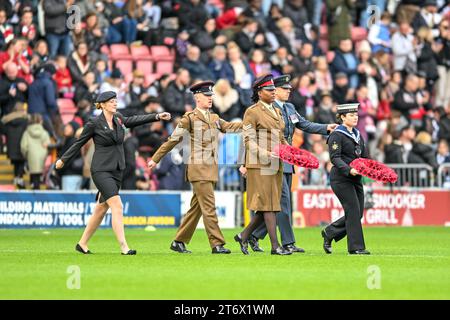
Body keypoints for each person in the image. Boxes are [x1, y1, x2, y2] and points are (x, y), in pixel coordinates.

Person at [55, 91, 171, 255]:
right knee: (117, 205)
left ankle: (82, 243)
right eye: (111, 101)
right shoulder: (93, 123)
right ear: (102, 104)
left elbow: (133, 120)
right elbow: (78, 142)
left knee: (101, 209)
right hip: (101, 170)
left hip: (117, 169)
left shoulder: (118, 118)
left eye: (115, 101)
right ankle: (124, 247)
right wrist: (63, 159)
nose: (115, 103)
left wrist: (157, 116)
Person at [241, 74, 337, 253]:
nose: (288, 91)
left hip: (285, 159)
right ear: (273, 91)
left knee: (276, 204)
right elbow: (248, 137)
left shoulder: (289, 108)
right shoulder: (259, 110)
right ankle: (287, 242)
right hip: (268, 160)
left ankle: (250, 235)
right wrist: (243, 162)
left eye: (289, 89)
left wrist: (325, 128)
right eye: (284, 89)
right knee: (281, 202)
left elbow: (304, 124)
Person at [148, 81, 242, 254]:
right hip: (198, 169)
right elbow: (173, 140)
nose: (210, 98)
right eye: (207, 96)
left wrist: (249, 124)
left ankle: (178, 241)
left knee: (196, 208)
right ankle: (217, 244)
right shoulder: (189, 118)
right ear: (197, 98)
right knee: (209, 207)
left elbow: (228, 127)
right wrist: (156, 158)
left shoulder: (214, 118)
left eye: (211, 95)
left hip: (210, 169)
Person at [234, 74, 291, 256]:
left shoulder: (277, 110)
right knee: (268, 206)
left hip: (276, 163)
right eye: (269, 89)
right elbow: (248, 140)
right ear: (260, 92)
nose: (274, 92)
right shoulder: (252, 112)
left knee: (271, 204)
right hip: (259, 164)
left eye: (274, 89)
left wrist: (293, 153)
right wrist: (266, 153)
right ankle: (276, 247)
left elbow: (281, 137)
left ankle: (243, 236)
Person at [321, 103, 371, 255]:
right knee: (353, 211)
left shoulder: (357, 134)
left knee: (358, 213)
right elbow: (335, 158)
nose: (355, 117)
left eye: (356, 114)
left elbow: (365, 157)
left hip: (356, 179)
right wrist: (350, 170)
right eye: (351, 115)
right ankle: (356, 247)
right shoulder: (337, 134)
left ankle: (329, 232)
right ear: (342, 117)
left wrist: (373, 171)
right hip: (341, 178)